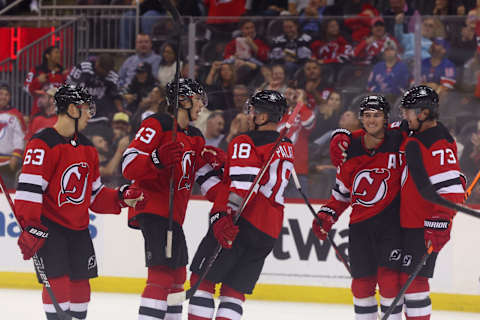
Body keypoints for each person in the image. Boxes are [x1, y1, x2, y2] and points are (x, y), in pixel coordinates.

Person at [14, 84, 146, 320]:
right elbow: (29, 191)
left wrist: (121, 197)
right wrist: (31, 225)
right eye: (86, 109)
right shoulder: (42, 143)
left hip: (79, 229)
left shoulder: (86, 147)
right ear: (73, 109)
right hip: (50, 228)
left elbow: (94, 195)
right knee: (59, 285)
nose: (89, 114)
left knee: (82, 289)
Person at [121, 78, 223, 320]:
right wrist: (156, 159)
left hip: (174, 216)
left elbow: (205, 179)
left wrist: (227, 181)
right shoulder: (157, 123)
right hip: (153, 209)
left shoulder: (195, 136)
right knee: (162, 275)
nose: (202, 105)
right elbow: (128, 164)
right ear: (184, 100)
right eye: (198, 99)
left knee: (177, 276)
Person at [187, 90, 294, 320]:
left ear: (262, 117)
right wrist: (225, 165)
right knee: (234, 291)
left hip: (240, 224)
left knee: (202, 281)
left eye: (253, 111)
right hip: (268, 231)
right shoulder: (286, 145)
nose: (249, 115)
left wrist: (225, 217)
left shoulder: (244, 141)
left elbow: (243, 187)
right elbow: (258, 176)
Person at [312, 95, 405, 319]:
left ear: (385, 119)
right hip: (360, 227)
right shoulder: (350, 149)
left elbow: (412, 123)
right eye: (367, 116)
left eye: (377, 115)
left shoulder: (398, 138)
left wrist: (340, 133)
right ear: (361, 118)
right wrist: (327, 215)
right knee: (361, 285)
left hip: (391, 225)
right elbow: (342, 195)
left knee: (389, 282)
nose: (372, 120)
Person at [398, 85, 465, 319]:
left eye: (408, 111)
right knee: (408, 283)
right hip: (410, 222)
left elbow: (450, 190)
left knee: (415, 286)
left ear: (423, 113)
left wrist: (441, 220)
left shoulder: (431, 141)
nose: (405, 116)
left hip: (423, 225)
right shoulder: (425, 134)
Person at [24, 46, 68, 116]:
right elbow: (26, 88)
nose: (59, 55)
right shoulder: (36, 70)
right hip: (39, 112)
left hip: (58, 113)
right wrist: (37, 81)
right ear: (47, 56)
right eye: (56, 53)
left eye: (59, 53)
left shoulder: (63, 72)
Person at [0, 83, 26, 189]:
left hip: (7, 164)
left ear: (10, 97)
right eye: (1, 93)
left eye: (6, 94)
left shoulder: (16, 115)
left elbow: (20, 138)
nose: (3, 97)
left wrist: (15, 156)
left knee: (6, 197)